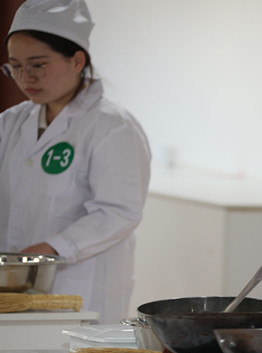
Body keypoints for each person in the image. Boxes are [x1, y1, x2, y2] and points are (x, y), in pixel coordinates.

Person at [0, 0, 151, 324]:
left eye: (38, 65)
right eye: (15, 66)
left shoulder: (113, 127)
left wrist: (52, 249)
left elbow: (119, 212)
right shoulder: (11, 123)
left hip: (82, 286)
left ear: (77, 60)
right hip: (15, 287)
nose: (25, 77)